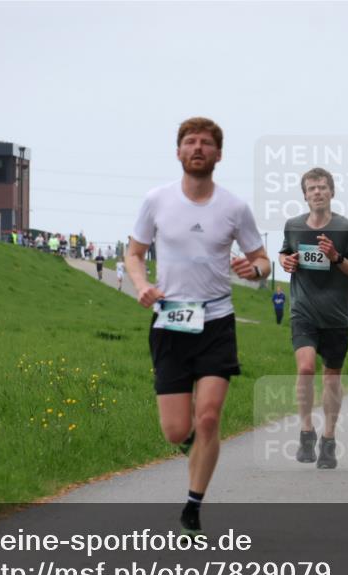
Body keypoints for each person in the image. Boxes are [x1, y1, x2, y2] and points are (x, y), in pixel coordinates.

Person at [126, 117, 269, 535]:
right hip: (170, 322)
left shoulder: (234, 208)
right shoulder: (157, 200)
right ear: (178, 152)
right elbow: (134, 253)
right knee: (176, 431)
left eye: (206, 143)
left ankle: (193, 504)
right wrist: (141, 285)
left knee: (208, 418)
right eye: (190, 142)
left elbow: (262, 260)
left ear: (218, 155)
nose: (198, 148)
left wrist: (254, 269)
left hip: (216, 322)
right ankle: (193, 448)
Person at [279, 167, 348, 469]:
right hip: (303, 311)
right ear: (304, 195)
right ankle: (306, 431)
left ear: (332, 192)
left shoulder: (346, 228)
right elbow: (284, 253)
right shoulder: (293, 225)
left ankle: (328, 439)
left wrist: (337, 259)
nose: (317, 192)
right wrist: (286, 261)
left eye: (322, 187)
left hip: (336, 316)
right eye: (311, 188)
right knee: (305, 369)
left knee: (331, 379)